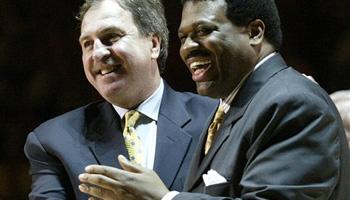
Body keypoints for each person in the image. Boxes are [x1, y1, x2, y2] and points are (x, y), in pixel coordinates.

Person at [78, 0, 350, 199]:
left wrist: (164, 199)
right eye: (183, 38)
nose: (187, 49)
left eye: (203, 32)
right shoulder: (229, 107)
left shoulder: (292, 102)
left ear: (254, 32)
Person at [23, 0, 218, 199]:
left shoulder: (217, 119)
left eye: (111, 37)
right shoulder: (53, 140)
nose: (97, 53)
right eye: (88, 44)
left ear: (153, 44)